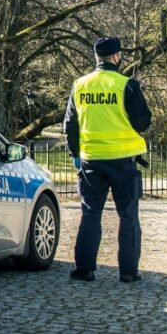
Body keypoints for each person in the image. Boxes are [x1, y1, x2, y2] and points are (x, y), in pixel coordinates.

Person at [63, 37, 152, 283]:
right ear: (116, 57)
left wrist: (75, 154)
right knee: (128, 215)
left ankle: (84, 269)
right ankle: (128, 272)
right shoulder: (128, 85)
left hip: (91, 160)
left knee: (90, 213)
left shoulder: (80, 85)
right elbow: (143, 122)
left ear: (96, 58)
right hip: (123, 160)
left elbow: (70, 125)